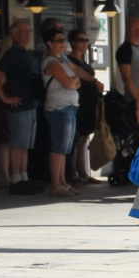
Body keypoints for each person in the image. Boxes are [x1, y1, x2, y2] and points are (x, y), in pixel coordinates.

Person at [0, 19, 42, 195]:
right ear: (14, 35)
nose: (27, 34)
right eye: (23, 31)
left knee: (25, 145)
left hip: (31, 103)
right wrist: (4, 97)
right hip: (19, 105)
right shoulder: (12, 54)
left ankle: (24, 176)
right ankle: (15, 179)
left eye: (28, 31)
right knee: (17, 143)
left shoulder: (27, 54)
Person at [41, 31, 82, 197]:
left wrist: (75, 80)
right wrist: (74, 81)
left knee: (65, 147)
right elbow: (69, 82)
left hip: (70, 106)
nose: (62, 43)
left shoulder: (63, 59)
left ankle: (63, 181)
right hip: (59, 108)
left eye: (63, 40)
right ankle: (55, 183)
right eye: (58, 41)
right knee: (58, 146)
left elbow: (76, 79)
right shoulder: (51, 62)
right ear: (49, 43)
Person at [69, 30, 104, 184]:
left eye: (86, 40)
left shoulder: (84, 62)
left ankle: (83, 171)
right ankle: (72, 172)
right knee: (76, 139)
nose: (84, 43)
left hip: (89, 102)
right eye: (80, 40)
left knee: (84, 138)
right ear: (73, 43)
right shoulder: (70, 61)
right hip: (78, 101)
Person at [114, 16, 139, 123]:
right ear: (134, 29)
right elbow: (127, 77)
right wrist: (138, 101)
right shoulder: (125, 50)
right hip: (134, 100)